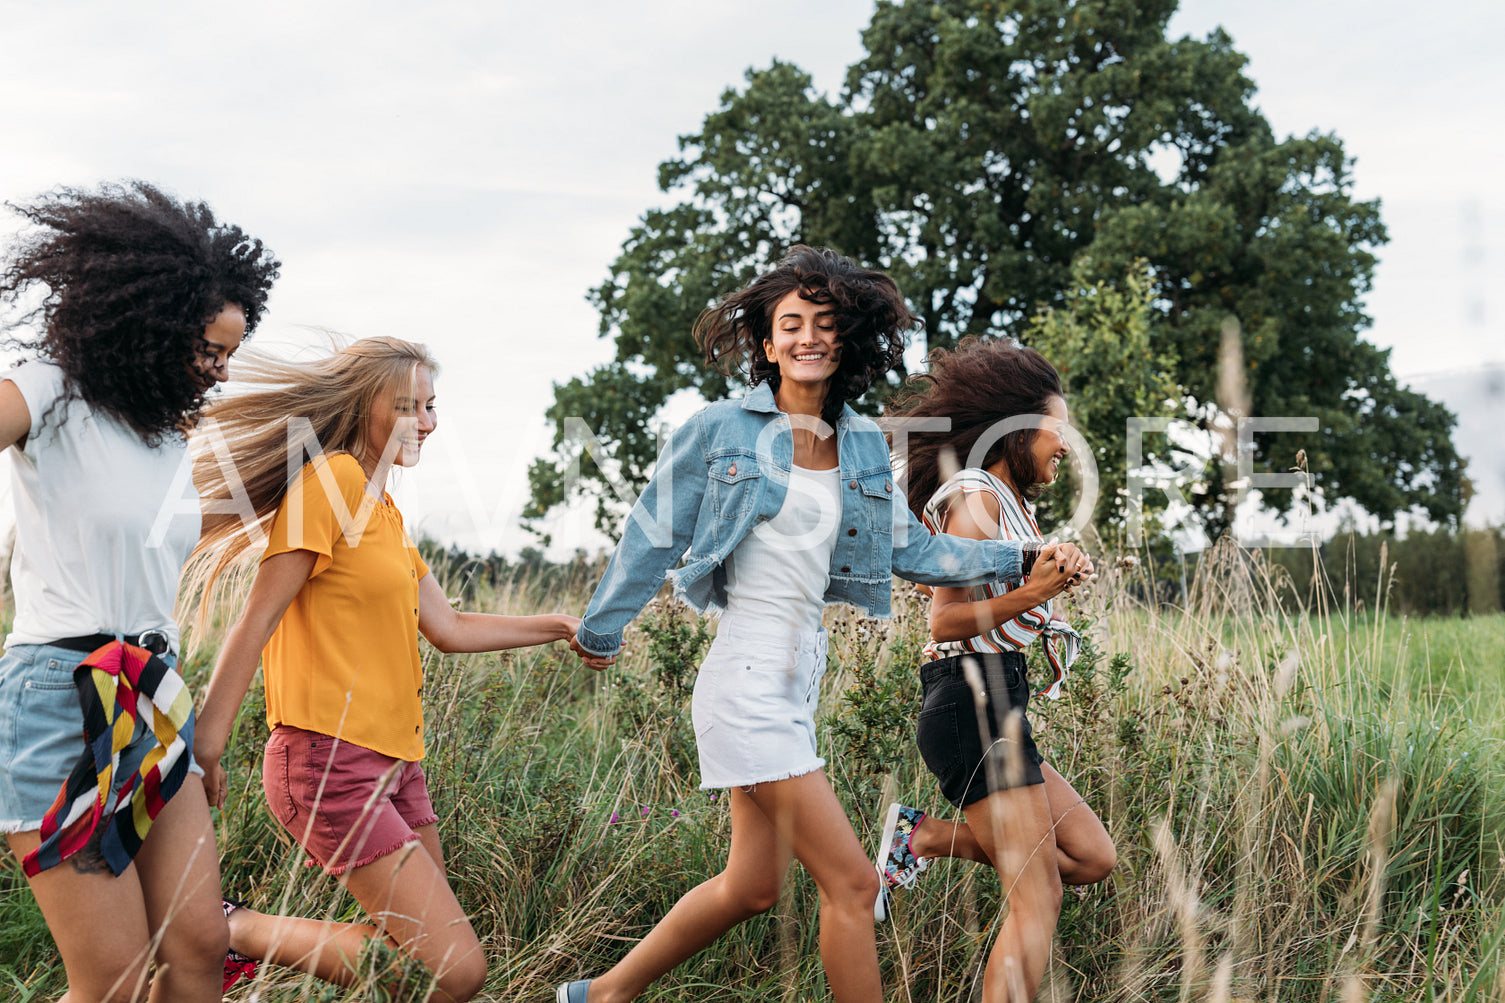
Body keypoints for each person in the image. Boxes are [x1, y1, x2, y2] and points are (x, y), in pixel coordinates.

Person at [557, 247, 1092, 1003]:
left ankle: (603, 993)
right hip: (744, 676)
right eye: (790, 324)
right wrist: (602, 628)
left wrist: (1024, 555)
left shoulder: (861, 444)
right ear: (767, 344)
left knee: (750, 889)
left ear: (843, 341)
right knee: (850, 882)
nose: (808, 337)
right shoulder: (720, 431)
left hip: (799, 675)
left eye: (824, 324)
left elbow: (915, 550)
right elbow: (651, 534)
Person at [186, 336, 608, 1002]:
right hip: (328, 761)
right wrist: (205, 745)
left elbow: (449, 627)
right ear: (365, 406)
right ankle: (227, 930)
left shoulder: (384, 511)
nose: (427, 423)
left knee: (423, 968)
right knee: (453, 969)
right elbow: (258, 617)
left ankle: (230, 932)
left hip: (396, 763)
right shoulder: (332, 481)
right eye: (409, 406)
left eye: (432, 407)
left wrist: (558, 627)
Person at [0, 180, 279, 1003]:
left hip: (155, 698)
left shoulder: (164, 434)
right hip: (60, 697)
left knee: (199, 946)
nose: (219, 369)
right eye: (207, 348)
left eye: (230, 352)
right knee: (114, 981)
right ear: (149, 323)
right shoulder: (52, 387)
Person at [872, 340, 1116, 1002]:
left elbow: (987, 598)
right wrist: (1036, 593)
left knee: (1091, 857)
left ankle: (919, 837)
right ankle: (916, 839)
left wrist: (1050, 573)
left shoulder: (1011, 506)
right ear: (1013, 426)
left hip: (998, 695)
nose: (1064, 445)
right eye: (1056, 428)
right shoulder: (975, 497)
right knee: (1036, 899)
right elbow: (944, 621)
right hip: (968, 699)